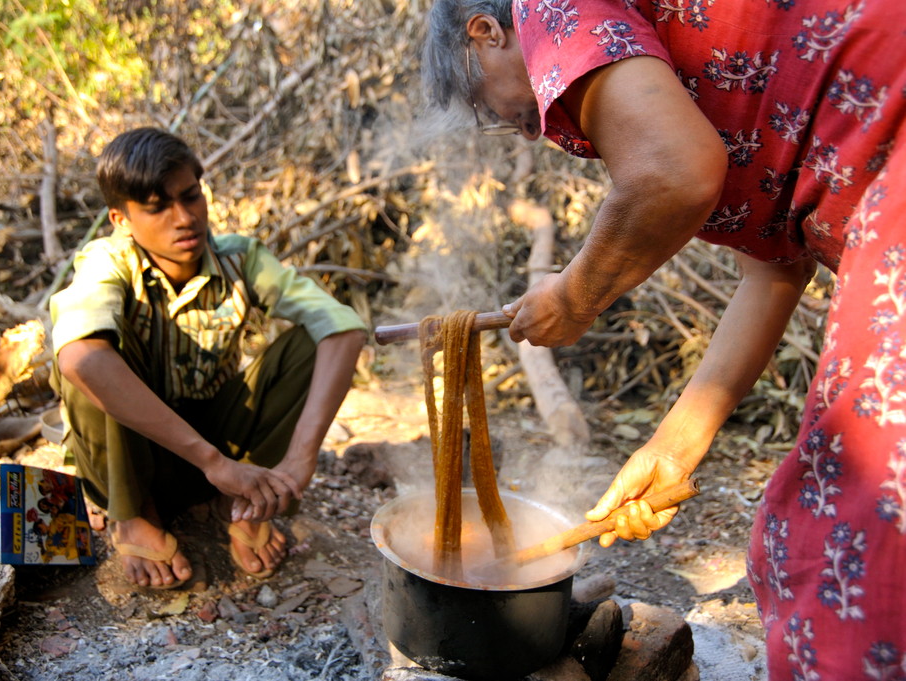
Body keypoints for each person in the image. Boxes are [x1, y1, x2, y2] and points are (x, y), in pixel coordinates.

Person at [422, 0, 905, 676]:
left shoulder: (546, 6)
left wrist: (574, 295)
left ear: (485, 32)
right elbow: (772, 273)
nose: (522, 132)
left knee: (843, 549)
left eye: (493, 108)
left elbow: (673, 173)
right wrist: (671, 448)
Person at [50, 127, 366, 589]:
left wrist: (300, 460)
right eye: (157, 208)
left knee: (309, 342)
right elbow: (81, 360)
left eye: (191, 196)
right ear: (121, 219)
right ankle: (134, 514)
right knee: (92, 355)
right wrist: (212, 461)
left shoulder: (241, 259)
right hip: (134, 455)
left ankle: (244, 503)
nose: (184, 218)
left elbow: (344, 328)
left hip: (219, 454)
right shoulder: (106, 263)